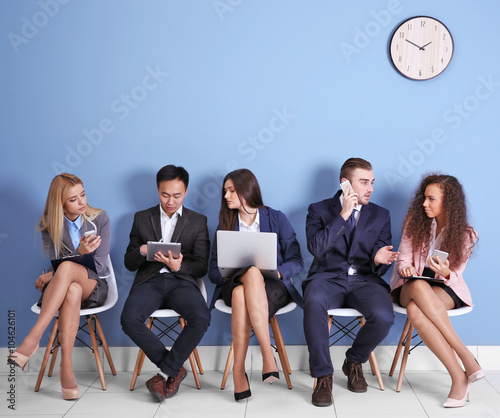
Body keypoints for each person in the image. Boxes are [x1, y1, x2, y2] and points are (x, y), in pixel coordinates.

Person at [303, 158, 398, 406]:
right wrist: (344, 214)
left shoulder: (380, 215)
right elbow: (316, 248)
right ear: (345, 184)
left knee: (384, 315)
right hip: (327, 278)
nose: (371, 189)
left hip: (365, 280)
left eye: (372, 182)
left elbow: (381, 254)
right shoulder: (318, 210)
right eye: (364, 182)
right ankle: (324, 376)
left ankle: (354, 360)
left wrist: (378, 259)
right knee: (313, 301)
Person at [8, 173, 110, 400]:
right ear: (60, 202)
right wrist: (68, 263)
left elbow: (100, 265)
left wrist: (57, 271)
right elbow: (57, 261)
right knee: (70, 287)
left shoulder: (100, 218)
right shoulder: (48, 223)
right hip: (66, 288)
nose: (82, 202)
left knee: (65, 272)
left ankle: (32, 338)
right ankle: (66, 368)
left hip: (93, 283)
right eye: (73, 199)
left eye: (82, 194)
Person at [208, 168, 303, 402]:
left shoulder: (276, 218)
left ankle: (238, 373)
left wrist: (279, 272)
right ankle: (266, 353)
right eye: (225, 191)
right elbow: (211, 270)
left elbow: (297, 261)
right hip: (233, 283)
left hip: (273, 287)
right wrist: (226, 273)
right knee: (248, 275)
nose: (226, 196)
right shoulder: (225, 224)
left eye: (231, 191)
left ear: (246, 190)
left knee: (243, 292)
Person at [390, 173, 481, 408]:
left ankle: (459, 377)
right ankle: (465, 355)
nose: (424, 203)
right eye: (424, 198)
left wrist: (447, 271)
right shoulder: (415, 224)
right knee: (419, 286)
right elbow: (401, 260)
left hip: (445, 289)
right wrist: (407, 268)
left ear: (448, 202)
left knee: (415, 311)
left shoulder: (466, 234)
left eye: (431, 199)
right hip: (409, 286)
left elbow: (456, 275)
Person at [121, 165, 211, 402]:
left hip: (181, 281)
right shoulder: (142, 218)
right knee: (129, 319)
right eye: (165, 194)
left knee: (201, 317)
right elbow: (129, 263)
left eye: (177, 195)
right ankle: (175, 369)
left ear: (186, 192)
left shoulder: (198, 221)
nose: (170, 201)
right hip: (150, 281)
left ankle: (163, 372)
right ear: (157, 190)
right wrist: (141, 250)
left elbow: (202, 266)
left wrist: (178, 266)